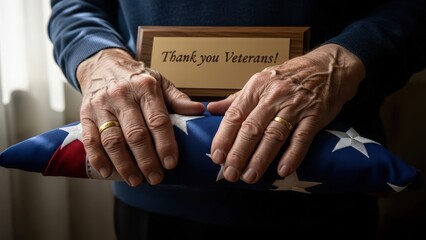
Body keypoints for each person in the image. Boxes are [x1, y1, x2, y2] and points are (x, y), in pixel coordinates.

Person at [48, 0, 426, 239]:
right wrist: (97, 59)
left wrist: (344, 59)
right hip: (151, 195)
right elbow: (75, 4)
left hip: (324, 197)